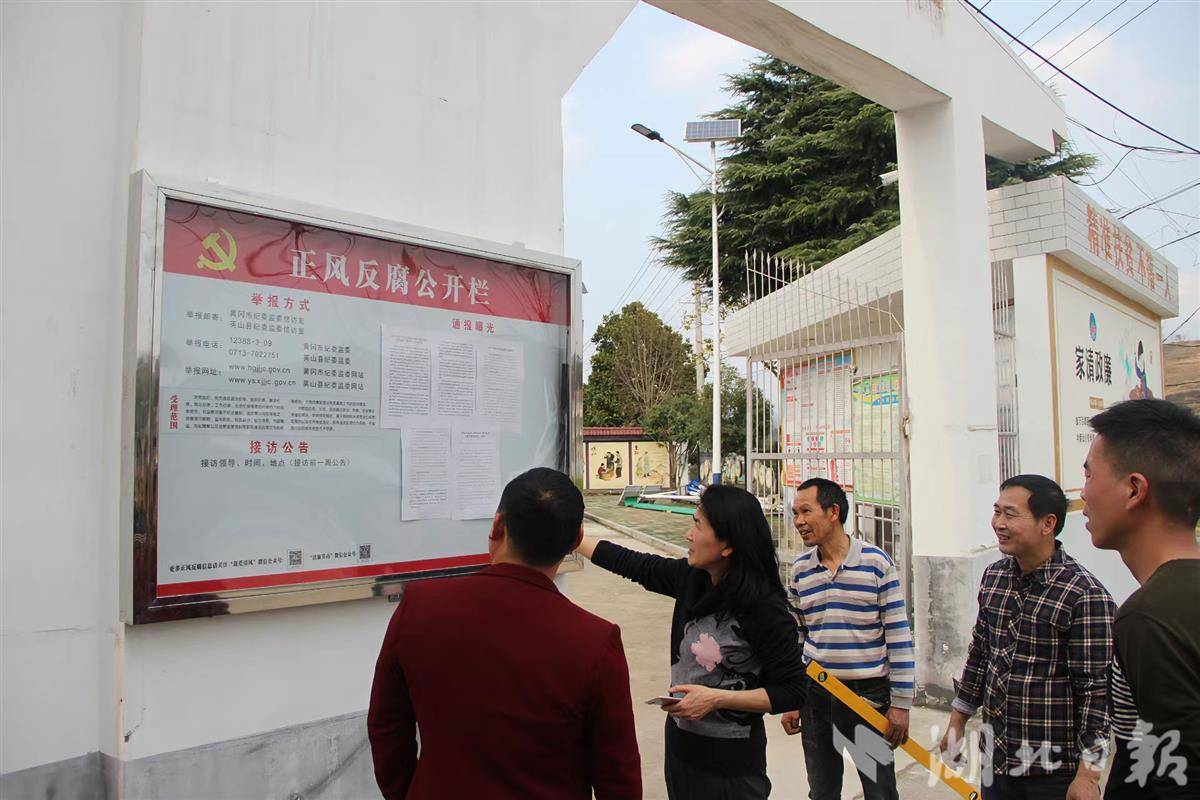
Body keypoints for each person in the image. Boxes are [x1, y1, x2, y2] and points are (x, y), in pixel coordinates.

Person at [367, 467, 641, 800]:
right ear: (575, 541)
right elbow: (619, 779)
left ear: (498, 525)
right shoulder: (595, 641)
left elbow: (386, 725)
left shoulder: (420, 606)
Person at [577, 483, 806, 800]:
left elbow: (793, 690)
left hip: (732, 769)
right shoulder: (693, 578)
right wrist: (576, 540)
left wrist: (716, 699)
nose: (688, 534)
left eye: (698, 525)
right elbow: (636, 564)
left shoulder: (764, 608)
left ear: (727, 546)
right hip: (681, 751)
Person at [939, 474, 1114, 800]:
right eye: (997, 512)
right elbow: (981, 654)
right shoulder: (994, 578)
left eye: (1010, 514)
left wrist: (1088, 775)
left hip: (1052, 773)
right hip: (996, 762)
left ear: (1048, 523)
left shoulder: (1084, 595)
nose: (998, 523)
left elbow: (1097, 692)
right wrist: (957, 721)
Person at [1081, 399, 1200, 798]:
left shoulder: (1148, 617)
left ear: (1134, 489)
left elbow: (1180, 779)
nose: (1083, 493)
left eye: (1089, 474)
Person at [782, 477, 913, 800]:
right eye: (795, 513)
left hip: (866, 697)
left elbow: (898, 637)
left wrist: (900, 704)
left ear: (833, 512)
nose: (798, 521)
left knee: (879, 791)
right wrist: (793, 698)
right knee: (822, 790)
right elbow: (796, 638)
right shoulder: (800, 571)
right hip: (816, 693)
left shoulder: (876, 564)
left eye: (806, 511)